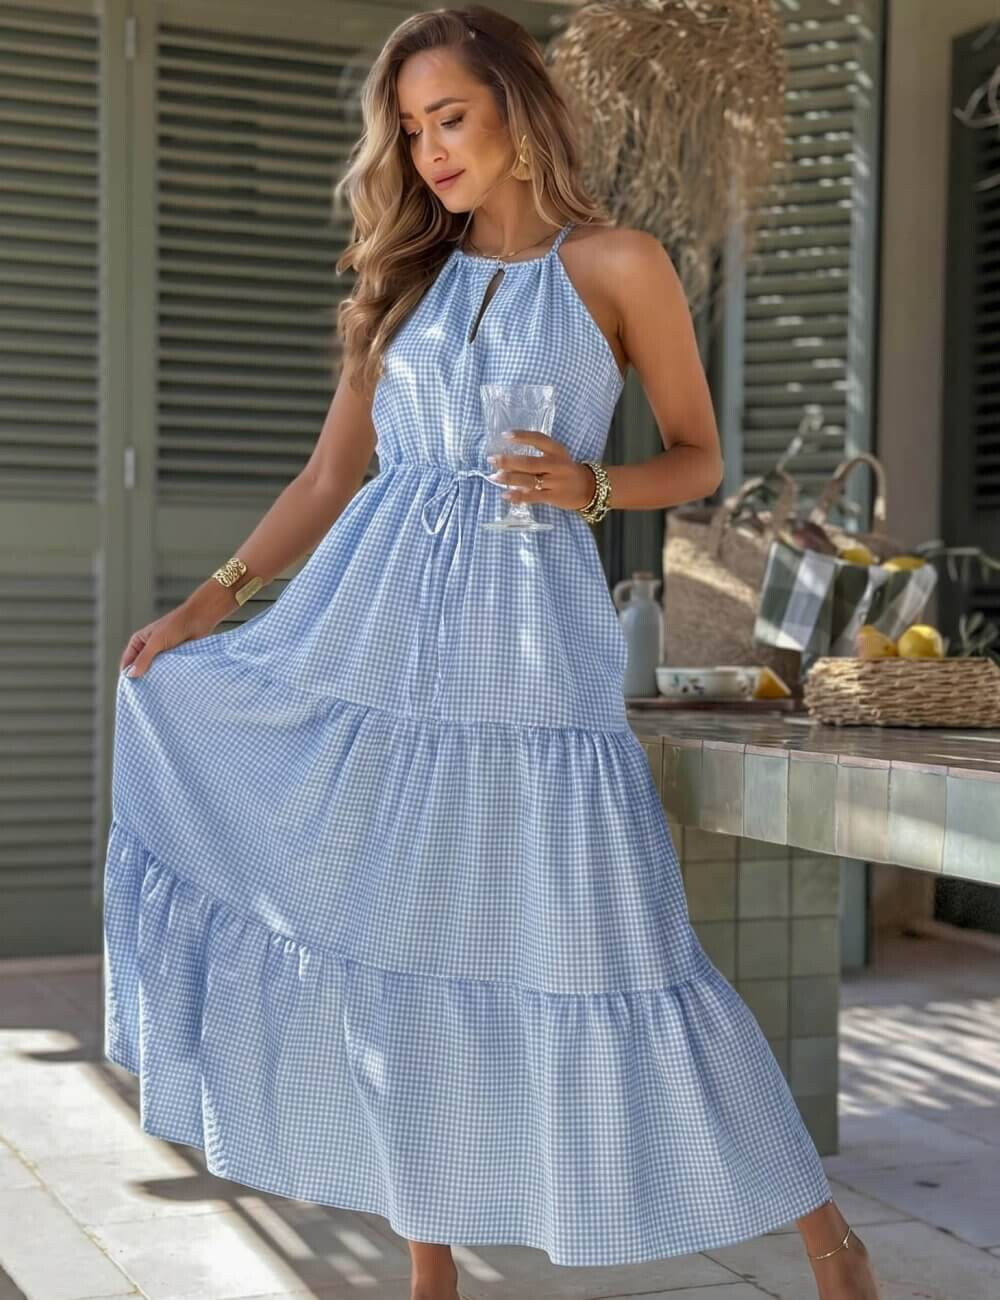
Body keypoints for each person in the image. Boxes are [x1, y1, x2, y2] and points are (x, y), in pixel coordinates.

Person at [102, 6, 882, 1300]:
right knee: (395, 938)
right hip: (375, 649)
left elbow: (698, 457)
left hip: (529, 659)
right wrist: (203, 608)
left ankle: (826, 1240)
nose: (430, 150)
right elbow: (330, 477)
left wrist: (593, 485)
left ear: (518, 113)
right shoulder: (401, 282)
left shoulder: (619, 264)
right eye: (412, 130)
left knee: (626, 950)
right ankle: (432, 1268)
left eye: (450, 118)